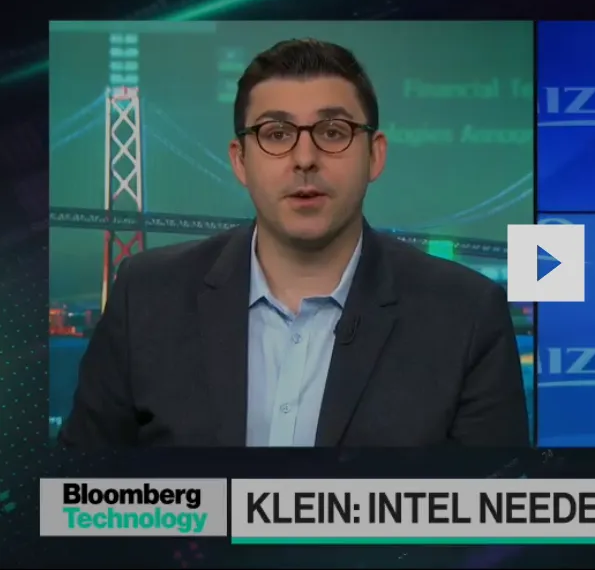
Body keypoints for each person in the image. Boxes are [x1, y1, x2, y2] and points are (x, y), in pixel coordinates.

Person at [60, 39, 529, 448]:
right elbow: (75, 497)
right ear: (240, 160)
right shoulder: (145, 295)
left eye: (333, 132)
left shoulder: (467, 314)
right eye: (277, 134)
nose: (305, 158)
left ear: (375, 155)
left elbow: (489, 514)